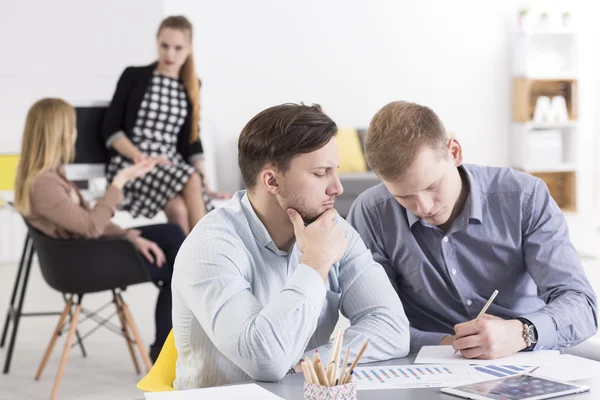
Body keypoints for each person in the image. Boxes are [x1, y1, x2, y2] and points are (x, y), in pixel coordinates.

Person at [171, 103, 409, 389]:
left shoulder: (334, 230)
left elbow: (393, 328)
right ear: (271, 180)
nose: (337, 188)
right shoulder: (210, 247)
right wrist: (315, 264)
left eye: (335, 171)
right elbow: (265, 361)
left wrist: (310, 362)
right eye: (321, 173)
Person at [348, 100, 598, 359]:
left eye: (432, 186)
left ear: (454, 152)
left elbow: (581, 304)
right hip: (429, 362)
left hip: (525, 351)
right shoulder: (371, 212)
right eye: (404, 197)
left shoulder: (525, 196)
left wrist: (522, 333)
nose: (423, 206)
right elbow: (374, 319)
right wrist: (447, 344)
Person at [14, 98, 186, 362]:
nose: (76, 133)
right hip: (82, 265)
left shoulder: (51, 175)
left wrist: (130, 236)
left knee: (172, 236)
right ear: (58, 133)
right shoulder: (43, 184)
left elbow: (86, 221)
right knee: (178, 273)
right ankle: (167, 351)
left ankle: (168, 347)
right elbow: (92, 226)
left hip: (87, 252)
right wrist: (119, 181)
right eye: (72, 127)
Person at [102, 15, 229, 235]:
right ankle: (205, 253)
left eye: (178, 48)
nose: (170, 54)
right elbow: (111, 129)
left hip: (171, 167)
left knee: (179, 209)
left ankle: (182, 268)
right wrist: (144, 159)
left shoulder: (192, 84)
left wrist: (205, 186)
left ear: (189, 48)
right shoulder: (134, 76)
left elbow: (192, 141)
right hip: (134, 165)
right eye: (164, 46)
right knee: (190, 177)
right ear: (157, 42)